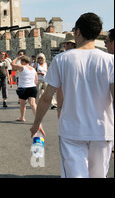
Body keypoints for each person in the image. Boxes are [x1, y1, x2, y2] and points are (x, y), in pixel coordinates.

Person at [30, 13, 114, 178]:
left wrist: (36, 123)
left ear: (77, 32)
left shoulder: (62, 60)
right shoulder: (110, 61)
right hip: (102, 131)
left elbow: (46, 98)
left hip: (72, 130)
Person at [12, 55, 39, 123]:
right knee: (33, 103)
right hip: (32, 87)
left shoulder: (22, 67)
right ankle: (37, 119)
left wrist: (17, 57)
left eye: (21, 61)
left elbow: (12, 64)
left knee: (22, 104)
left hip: (23, 87)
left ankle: (22, 117)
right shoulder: (33, 69)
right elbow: (36, 80)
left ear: (23, 61)